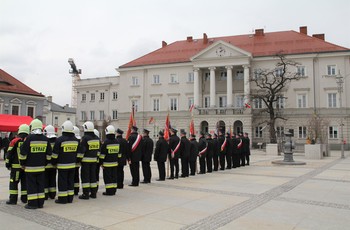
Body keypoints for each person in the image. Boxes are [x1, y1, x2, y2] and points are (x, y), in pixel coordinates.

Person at [20, 119, 52, 209]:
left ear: (32, 127)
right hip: (41, 167)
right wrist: (45, 163)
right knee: (40, 185)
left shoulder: (29, 138)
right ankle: (40, 203)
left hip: (30, 168)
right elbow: (49, 154)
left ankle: (32, 204)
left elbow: (23, 153)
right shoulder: (45, 139)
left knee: (31, 185)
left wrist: (23, 163)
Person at [51, 120, 79, 204]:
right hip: (72, 165)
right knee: (70, 182)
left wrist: (53, 162)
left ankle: (62, 199)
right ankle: (70, 198)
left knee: (62, 182)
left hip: (62, 165)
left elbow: (55, 154)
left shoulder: (59, 140)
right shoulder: (76, 140)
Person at [5, 124, 29, 205]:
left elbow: (9, 153)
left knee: (14, 183)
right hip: (25, 167)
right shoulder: (28, 140)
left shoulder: (14, 141)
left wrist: (7, 164)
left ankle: (13, 199)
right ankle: (24, 199)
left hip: (15, 168)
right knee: (25, 183)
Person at [79, 121, 100, 200]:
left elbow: (82, 151)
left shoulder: (85, 138)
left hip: (86, 161)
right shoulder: (97, 138)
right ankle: (93, 193)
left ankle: (86, 194)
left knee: (85, 178)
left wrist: (79, 159)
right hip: (94, 161)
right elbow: (98, 151)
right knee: (93, 177)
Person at [99, 125, 119, 195]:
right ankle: (114, 190)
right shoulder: (116, 141)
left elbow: (102, 155)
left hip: (107, 164)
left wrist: (100, 163)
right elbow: (118, 154)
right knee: (114, 177)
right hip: (115, 163)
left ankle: (109, 191)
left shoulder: (106, 142)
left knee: (108, 178)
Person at [43, 125, 57, 200]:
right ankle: (52, 194)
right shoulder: (56, 141)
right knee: (52, 180)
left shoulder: (45, 141)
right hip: (54, 165)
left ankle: (45, 195)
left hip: (46, 165)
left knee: (45, 180)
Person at [73, 125, 82, 195]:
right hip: (77, 163)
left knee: (72, 176)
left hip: (72, 162)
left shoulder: (72, 141)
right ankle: (76, 189)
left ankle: (74, 189)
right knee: (76, 176)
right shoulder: (79, 142)